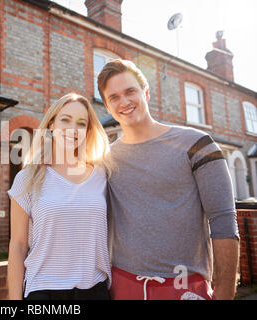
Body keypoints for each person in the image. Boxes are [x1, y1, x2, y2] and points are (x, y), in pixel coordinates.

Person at [96, 59, 240, 300]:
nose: (124, 102)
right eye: (114, 97)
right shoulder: (104, 160)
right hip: (122, 287)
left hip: (186, 286)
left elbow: (223, 219)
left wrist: (225, 293)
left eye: (130, 91)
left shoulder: (197, 144)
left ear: (146, 92)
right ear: (108, 108)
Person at [7, 93, 113, 300]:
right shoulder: (28, 178)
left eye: (81, 123)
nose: (73, 129)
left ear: (87, 131)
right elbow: (18, 245)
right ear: (52, 124)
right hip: (44, 290)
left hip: (94, 289)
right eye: (65, 119)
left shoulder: (102, 175)